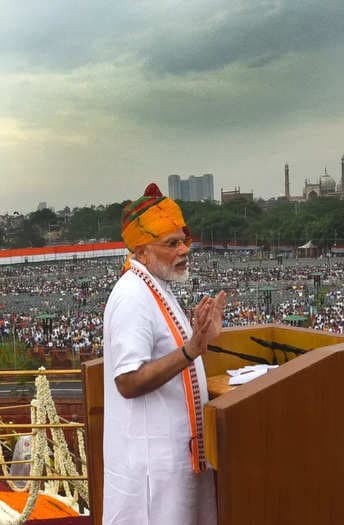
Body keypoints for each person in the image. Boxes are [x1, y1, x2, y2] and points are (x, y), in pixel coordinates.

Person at [102, 183, 226, 525]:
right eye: (171, 243)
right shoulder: (133, 297)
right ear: (141, 251)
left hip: (176, 461)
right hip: (153, 470)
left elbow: (181, 359)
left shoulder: (157, 286)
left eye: (184, 239)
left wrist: (205, 341)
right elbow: (127, 381)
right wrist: (189, 351)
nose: (184, 249)